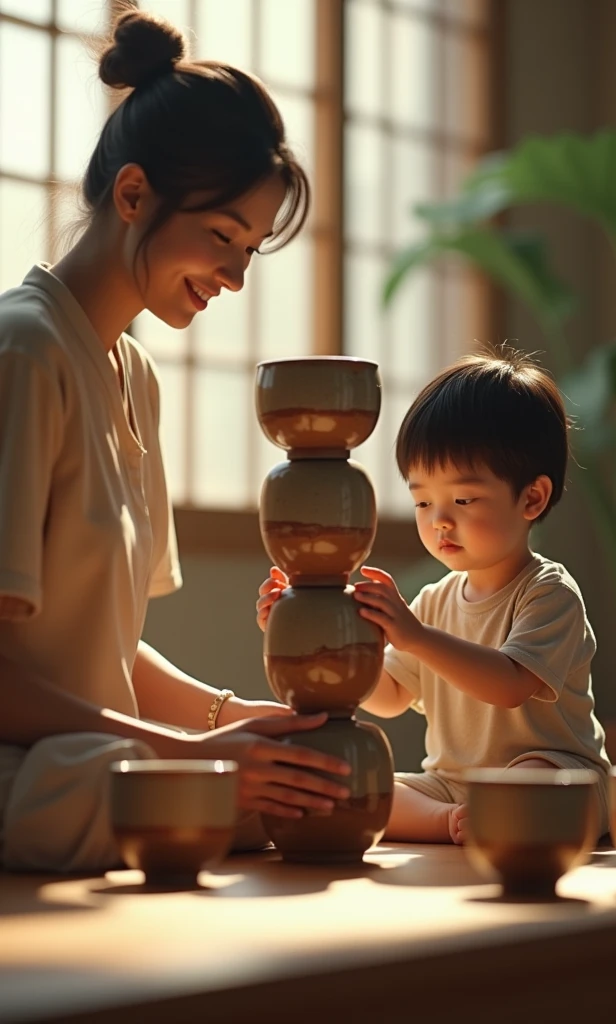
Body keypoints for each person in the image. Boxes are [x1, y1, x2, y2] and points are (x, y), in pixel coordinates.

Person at [0, 7, 352, 873]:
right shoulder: (24, 350)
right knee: (197, 786)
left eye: (252, 250)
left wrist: (227, 723)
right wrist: (188, 757)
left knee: (288, 776)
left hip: (91, 761)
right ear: (132, 195)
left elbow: (112, 660)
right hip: (34, 770)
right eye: (223, 237)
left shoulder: (133, 375)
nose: (235, 276)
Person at [257, 349, 611, 844]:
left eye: (463, 500)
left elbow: (508, 685)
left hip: (554, 773)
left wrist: (416, 637)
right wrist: (304, 632)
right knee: (363, 786)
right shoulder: (433, 601)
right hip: (451, 785)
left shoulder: (548, 593)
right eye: (423, 501)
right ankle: (448, 824)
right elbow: (386, 697)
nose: (439, 519)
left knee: (532, 779)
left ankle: (484, 815)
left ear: (531, 498)